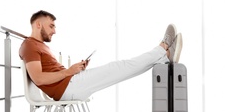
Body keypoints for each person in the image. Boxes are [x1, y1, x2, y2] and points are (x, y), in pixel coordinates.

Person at [19, 10, 183, 101]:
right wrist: (69, 71)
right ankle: (162, 50)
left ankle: (163, 55)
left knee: (123, 71)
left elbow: (50, 73)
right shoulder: (29, 45)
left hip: (70, 84)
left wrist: (76, 69)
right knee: (119, 67)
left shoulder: (39, 46)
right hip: (68, 87)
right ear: (38, 24)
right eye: (51, 26)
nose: (54, 30)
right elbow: (39, 78)